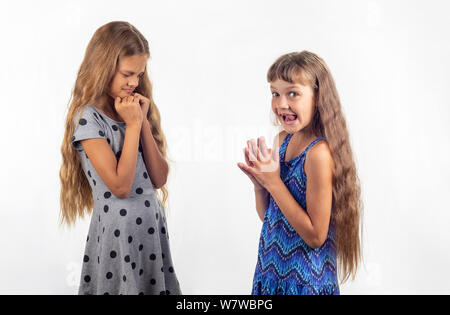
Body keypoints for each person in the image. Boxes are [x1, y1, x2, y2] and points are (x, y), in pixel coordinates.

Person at [59, 21, 181, 295]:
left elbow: (159, 178)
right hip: (118, 233)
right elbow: (120, 186)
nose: (134, 83)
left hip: (150, 229)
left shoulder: (131, 111)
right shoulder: (89, 119)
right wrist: (133, 126)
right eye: (127, 74)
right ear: (104, 67)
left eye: (139, 74)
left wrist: (143, 124)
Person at [237, 51, 362, 295]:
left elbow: (316, 236)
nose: (281, 104)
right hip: (271, 273)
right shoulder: (282, 140)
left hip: (305, 284)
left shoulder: (319, 154)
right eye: (275, 93)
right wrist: (260, 185)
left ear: (318, 98)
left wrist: (274, 183)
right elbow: (270, 217)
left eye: (292, 93)